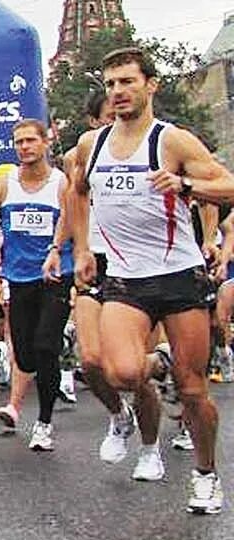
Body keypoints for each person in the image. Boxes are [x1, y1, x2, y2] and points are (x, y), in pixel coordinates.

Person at [67, 47, 234, 514]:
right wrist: (81, 248)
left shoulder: (172, 141)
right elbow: (77, 194)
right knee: (119, 371)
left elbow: (227, 185)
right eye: (111, 84)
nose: (118, 92)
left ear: (150, 85)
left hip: (178, 277)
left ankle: (206, 474)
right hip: (126, 280)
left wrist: (185, 187)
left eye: (127, 82)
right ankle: (158, 362)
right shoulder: (90, 145)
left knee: (194, 390)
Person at [0, 119, 73, 451]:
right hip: (18, 279)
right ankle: (57, 346)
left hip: (55, 275)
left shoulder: (62, 184)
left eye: (31, 140)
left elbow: (75, 222)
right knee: (27, 355)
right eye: (19, 142)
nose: (25, 147)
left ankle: (44, 423)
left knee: (46, 347)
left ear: (46, 142)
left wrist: (58, 250)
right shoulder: (1, 187)